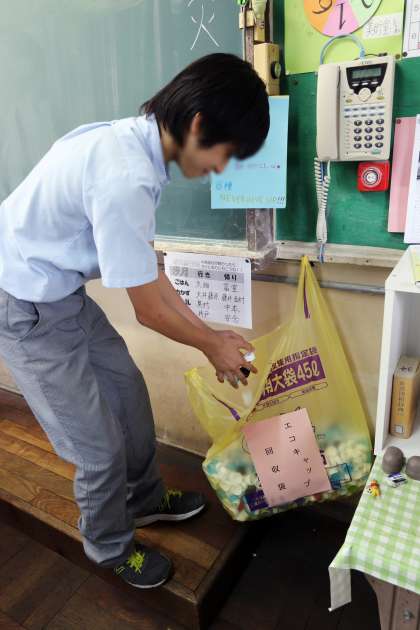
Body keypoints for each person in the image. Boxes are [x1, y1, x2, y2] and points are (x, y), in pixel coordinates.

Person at [0, 53, 269, 589]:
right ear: (198, 125)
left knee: (128, 394)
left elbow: (150, 277)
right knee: (97, 449)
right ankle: (109, 548)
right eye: (226, 154)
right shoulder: (125, 174)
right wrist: (209, 345)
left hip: (61, 293)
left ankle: (145, 501)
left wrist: (210, 335)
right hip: (22, 304)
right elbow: (148, 311)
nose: (221, 169)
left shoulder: (137, 148)